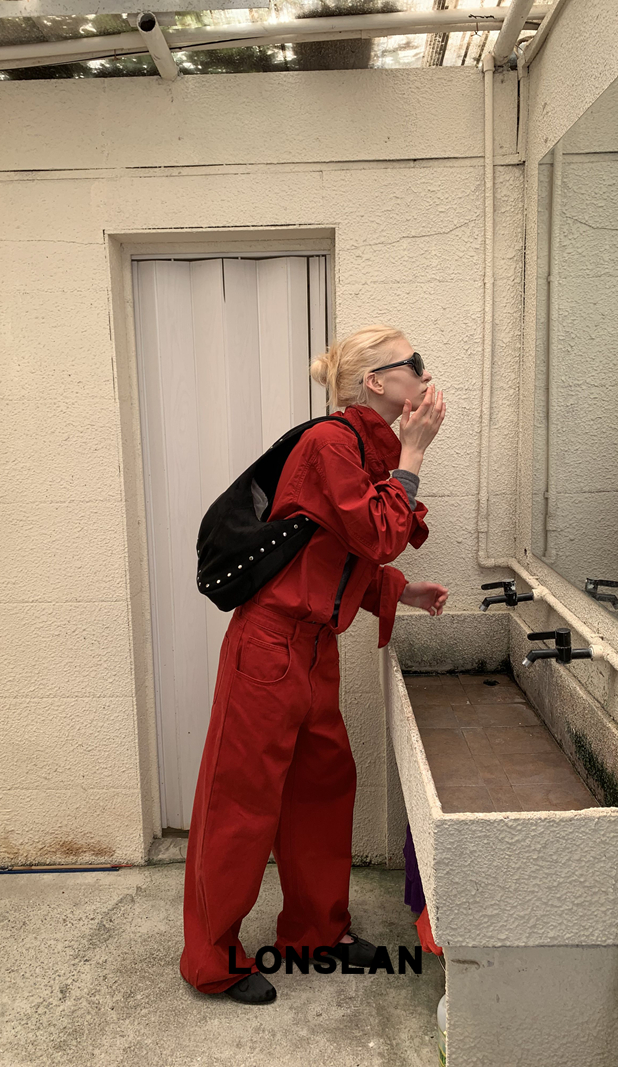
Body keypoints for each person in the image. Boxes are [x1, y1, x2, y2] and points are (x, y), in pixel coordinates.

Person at [179, 324, 448, 1004]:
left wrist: (401, 592)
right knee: (239, 804)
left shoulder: (364, 453)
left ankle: (314, 934)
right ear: (376, 382)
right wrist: (415, 453)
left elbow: (330, 556)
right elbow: (376, 533)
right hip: (268, 647)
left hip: (312, 651)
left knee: (322, 793)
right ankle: (210, 960)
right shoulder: (332, 443)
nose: (424, 372)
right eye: (413, 362)